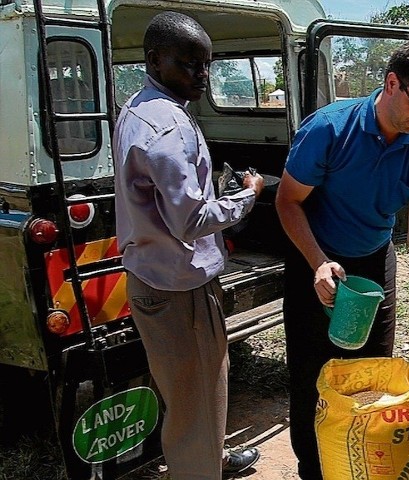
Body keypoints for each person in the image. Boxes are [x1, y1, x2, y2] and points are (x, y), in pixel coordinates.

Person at [274, 34, 409, 480]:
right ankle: (314, 471)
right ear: (392, 83)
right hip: (317, 261)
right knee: (314, 378)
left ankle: (358, 467)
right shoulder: (330, 128)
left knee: (371, 375)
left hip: (375, 264)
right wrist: (318, 261)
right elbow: (287, 202)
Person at [112, 11, 262, 478]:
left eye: (208, 65)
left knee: (188, 392)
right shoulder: (170, 127)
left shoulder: (138, 107)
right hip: (180, 292)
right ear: (155, 59)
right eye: (189, 64)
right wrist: (248, 195)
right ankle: (199, 468)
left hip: (150, 278)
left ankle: (205, 459)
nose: (202, 76)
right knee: (197, 397)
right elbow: (192, 219)